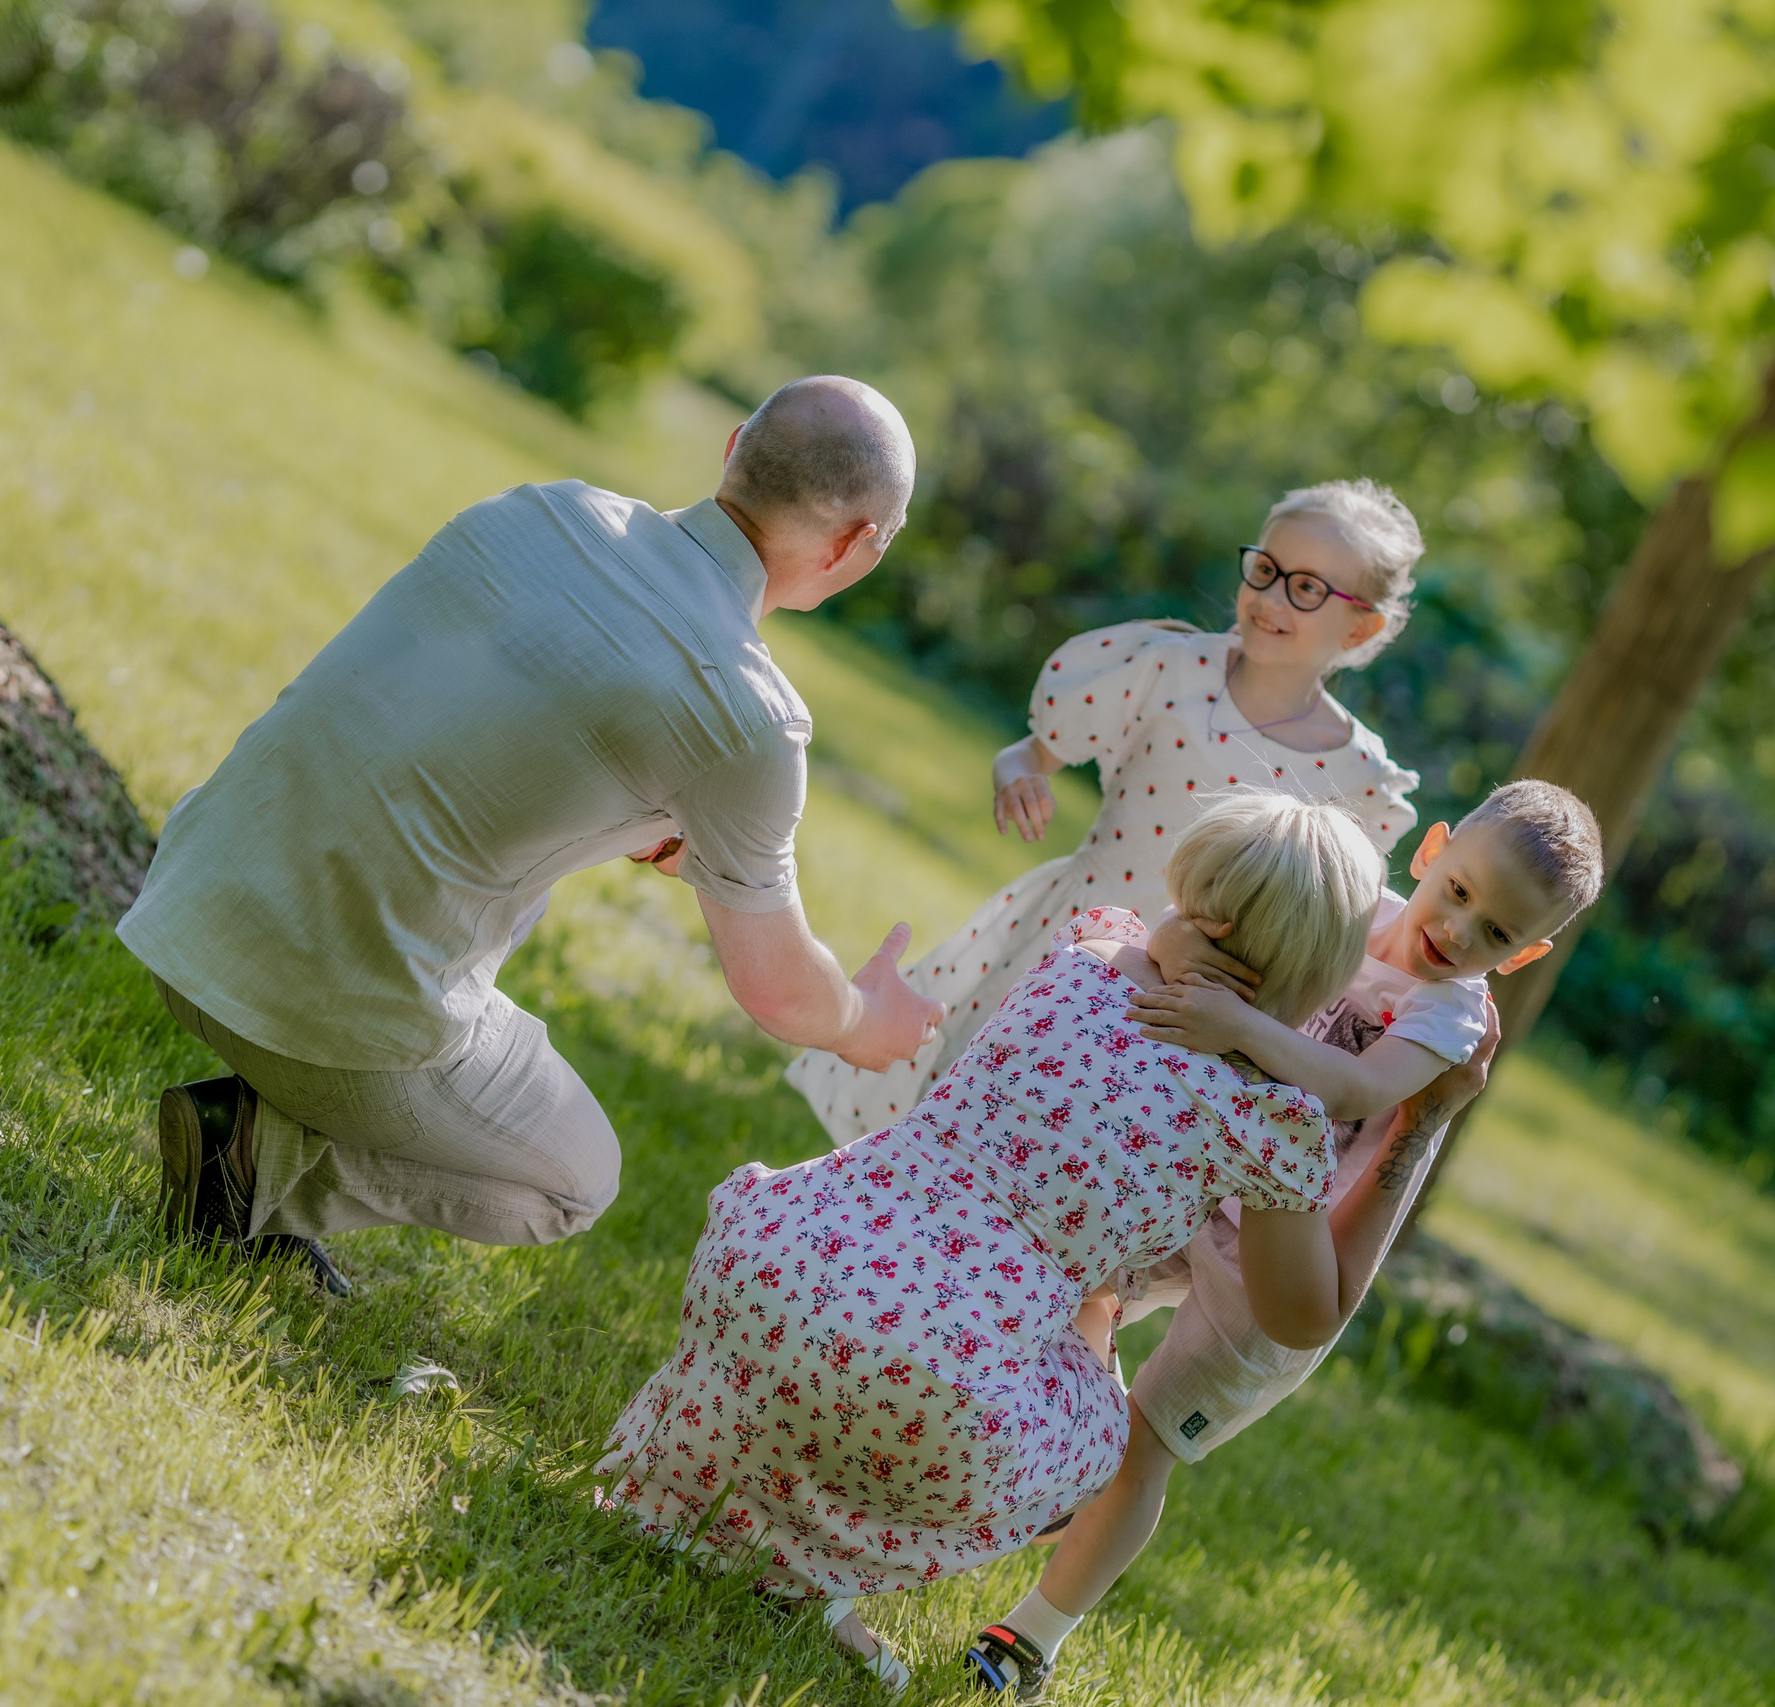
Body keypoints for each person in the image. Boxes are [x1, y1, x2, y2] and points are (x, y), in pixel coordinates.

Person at [117, 377, 948, 1295]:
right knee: (572, 1179)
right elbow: (781, 995)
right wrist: (865, 1023)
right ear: (858, 545)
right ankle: (250, 1161)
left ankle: (259, 1143)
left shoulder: (546, 510)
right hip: (323, 1029)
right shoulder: (747, 714)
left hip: (184, 910)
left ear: (732, 447)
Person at [592, 793, 1389, 1690]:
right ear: (1321, 979)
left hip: (782, 1253)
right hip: (929, 1370)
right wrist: (1411, 1132)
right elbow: (1299, 1314)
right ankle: (811, 1582)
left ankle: (667, 1501)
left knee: (860, 1345)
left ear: (1197, 899)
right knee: (1095, 1433)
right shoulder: (1265, 1116)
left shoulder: (1089, 954)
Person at [965, 781, 1602, 1697]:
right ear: (1431, 852)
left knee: (1148, 1440)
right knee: (1072, 1291)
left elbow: (1349, 1091)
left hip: (1288, 1245)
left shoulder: (1449, 1015)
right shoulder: (1350, 912)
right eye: (1459, 892)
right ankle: (1068, 1448)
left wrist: (1240, 1026)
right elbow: (1209, 937)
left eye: (1497, 934)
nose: (1460, 933)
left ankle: (1029, 1639)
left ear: (1527, 953)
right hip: (1198, 1178)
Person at [783, 479, 1426, 1146]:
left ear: (1362, 624)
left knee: (1077, 1156)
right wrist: (1020, 777)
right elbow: (1027, 755)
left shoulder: (1359, 779)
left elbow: (1336, 931)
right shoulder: (1169, 672)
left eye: (1307, 588)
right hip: (1067, 946)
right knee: (970, 1110)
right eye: (1266, 570)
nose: (1270, 597)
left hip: (1191, 1008)